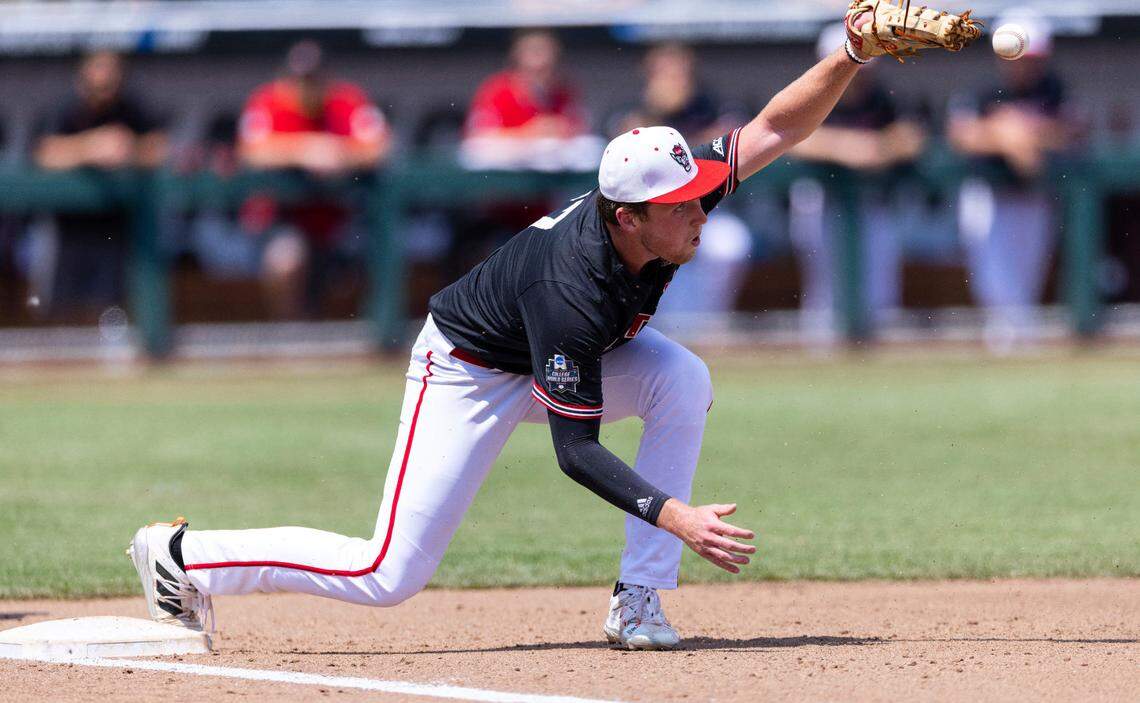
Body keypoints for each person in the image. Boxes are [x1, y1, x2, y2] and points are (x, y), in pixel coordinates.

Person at [127, 10, 940, 650]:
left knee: (681, 378)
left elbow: (774, 130)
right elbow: (575, 451)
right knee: (387, 572)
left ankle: (640, 599)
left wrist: (852, 54)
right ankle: (182, 556)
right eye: (680, 203)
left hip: (556, 354)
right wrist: (677, 516)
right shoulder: (572, 285)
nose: (700, 207)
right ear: (628, 219)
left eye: (695, 192)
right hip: (469, 371)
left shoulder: (660, 210)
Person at [788, 23, 927, 342]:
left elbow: (912, 136)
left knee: (880, 295)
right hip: (821, 204)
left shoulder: (883, 98)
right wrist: (845, 146)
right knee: (825, 296)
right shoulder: (810, 95)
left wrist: (878, 147)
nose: (857, 73)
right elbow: (789, 140)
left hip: (874, 203)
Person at [237, 39, 391, 319]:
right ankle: (294, 339)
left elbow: (380, 148)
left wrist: (340, 153)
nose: (306, 88)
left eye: (313, 80)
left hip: (342, 220)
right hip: (285, 220)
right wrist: (304, 149)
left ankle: (365, 341)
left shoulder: (346, 101)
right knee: (284, 259)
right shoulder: (269, 101)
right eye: (300, 80)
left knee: (382, 250)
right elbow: (251, 151)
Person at [947, 10, 1071, 351]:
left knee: (1026, 280)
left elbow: (1070, 132)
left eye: (1031, 58)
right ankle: (1008, 342)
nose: (1024, 65)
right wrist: (1008, 134)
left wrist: (1014, 129)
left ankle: (1016, 343)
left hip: (1032, 195)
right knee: (993, 281)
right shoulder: (985, 91)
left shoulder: (1054, 90)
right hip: (989, 194)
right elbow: (961, 135)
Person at [614, 43, 754, 330]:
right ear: (649, 75)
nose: (674, 78)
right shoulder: (636, 110)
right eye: (664, 71)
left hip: (708, 210)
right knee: (657, 256)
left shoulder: (709, 104)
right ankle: (661, 331)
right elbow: (628, 143)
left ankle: (712, 327)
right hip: (652, 217)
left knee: (730, 246)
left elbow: (734, 135)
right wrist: (656, 109)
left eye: (680, 70)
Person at [32, 50, 167, 321]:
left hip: (114, 225)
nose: (104, 92)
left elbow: (160, 148)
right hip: (69, 228)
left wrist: (129, 148)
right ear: (83, 79)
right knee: (61, 309)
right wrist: (91, 147)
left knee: (112, 309)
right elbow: (43, 153)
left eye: (111, 85)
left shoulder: (130, 109)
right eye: (98, 86)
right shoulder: (66, 109)